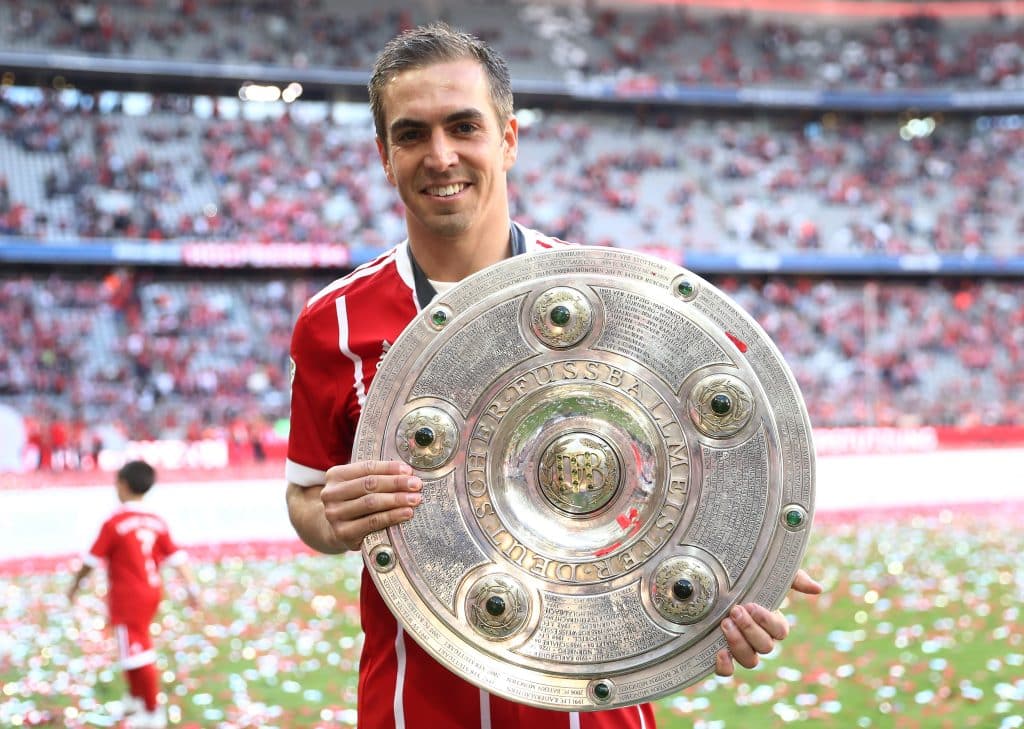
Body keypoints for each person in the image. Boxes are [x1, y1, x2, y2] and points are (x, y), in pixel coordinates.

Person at [285, 22, 822, 729]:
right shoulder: (335, 324)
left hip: (592, 707)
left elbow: (718, 455)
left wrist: (748, 561)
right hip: (415, 706)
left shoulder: (617, 300)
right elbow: (308, 500)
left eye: (464, 126)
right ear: (385, 155)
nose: (440, 155)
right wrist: (334, 516)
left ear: (508, 138)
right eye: (412, 134)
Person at [67, 460, 199, 729]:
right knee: (131, 646)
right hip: (151, 591)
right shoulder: (155, 520)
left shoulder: (115, 522)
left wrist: (73, 587)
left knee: (138, 652)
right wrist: (192, 588)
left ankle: (152, 712)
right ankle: (136, 699)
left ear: (123, 484)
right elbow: (177, 557)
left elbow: (91, 560)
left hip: (128, 595)